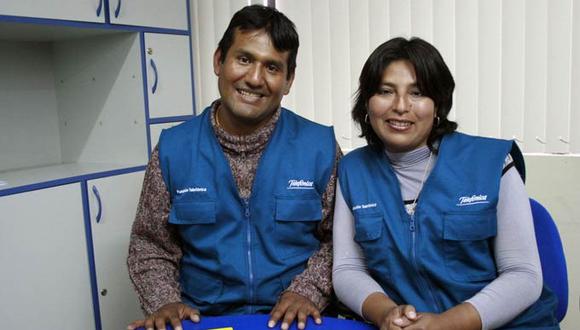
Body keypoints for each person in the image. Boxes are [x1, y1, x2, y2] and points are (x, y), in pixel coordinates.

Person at [127, 5, 340, 330]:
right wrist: (165, 301)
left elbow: (339, 240)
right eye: (244, 59)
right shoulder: (174, 150)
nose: (254, 79)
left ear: (289, 80)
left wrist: (307, 291)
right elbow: (149, 244)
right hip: (205, 318)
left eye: (272, 67)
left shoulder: (320, 148)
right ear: (218, 61)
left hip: (297, 318)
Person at [332, 37, 559, 330]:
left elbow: (523, 274)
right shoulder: (353, 170)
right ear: (367, 103)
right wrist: (387, 313)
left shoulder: (491, 161)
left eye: (418, 93)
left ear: (438, 104)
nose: (401, 106)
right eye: (386, 91)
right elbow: (348, 269)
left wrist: (446, 324)